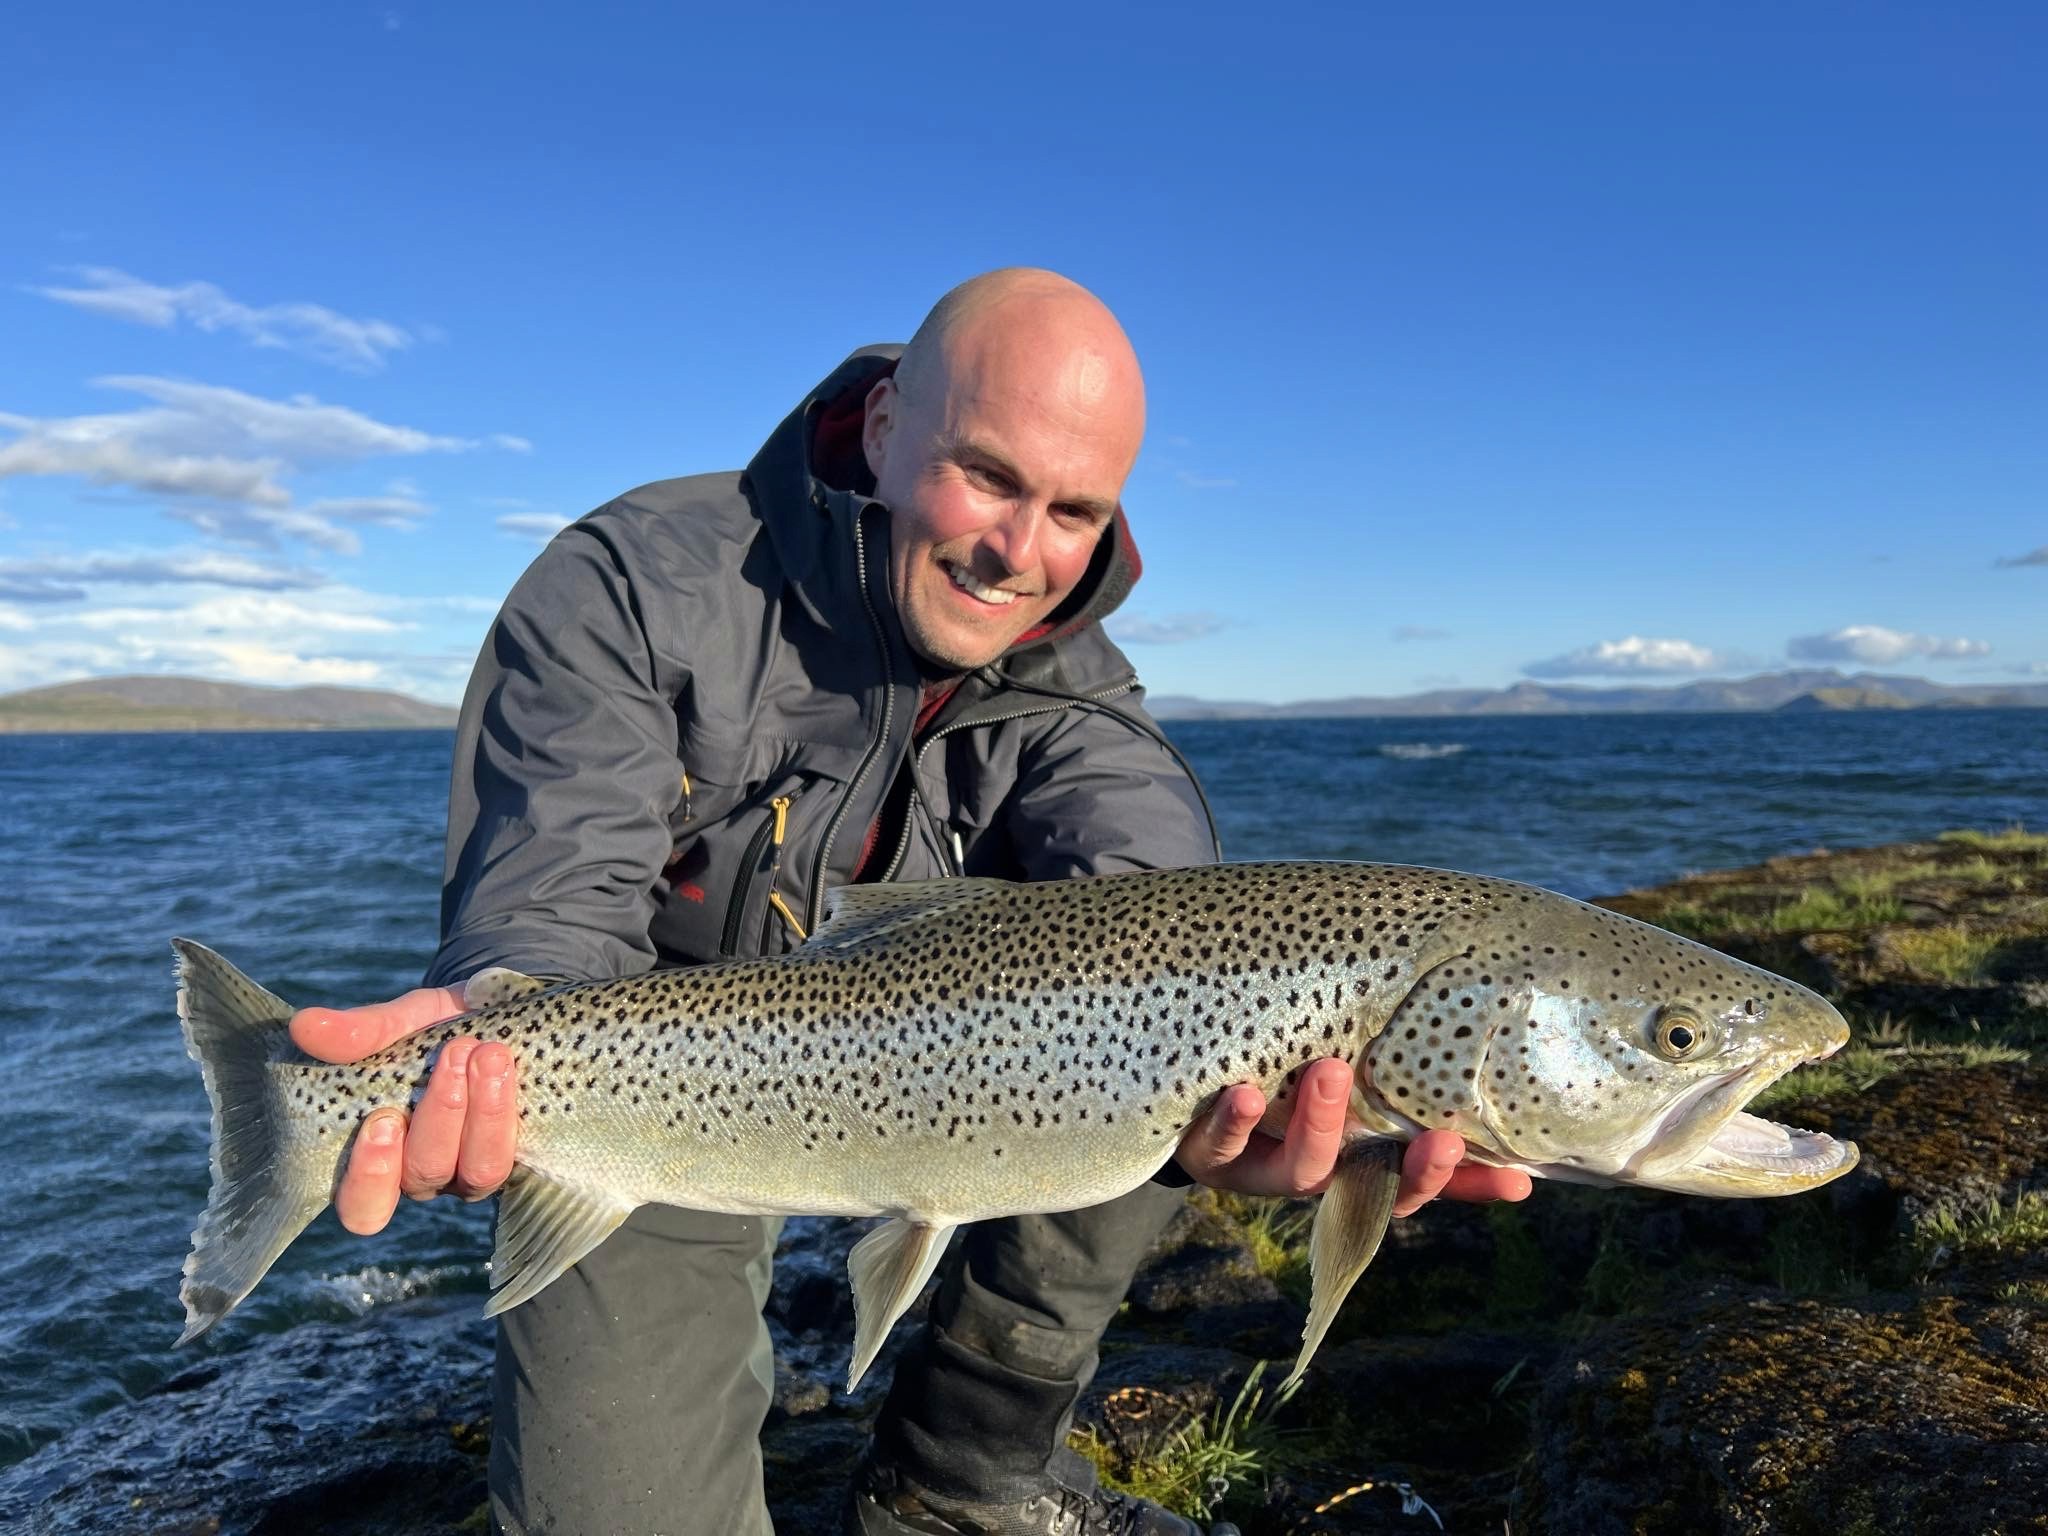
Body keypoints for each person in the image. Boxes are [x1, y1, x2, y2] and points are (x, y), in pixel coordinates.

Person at [291, 268, 1531, 1536]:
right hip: (658, 1092)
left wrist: (1283, 1112)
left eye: (1074, 511)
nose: (1020, 553)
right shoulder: (635, 583)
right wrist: (495, 1027)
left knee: (1171, 1068)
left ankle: (961, 1475)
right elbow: (551, 900)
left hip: (948, 1078)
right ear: (881, 428)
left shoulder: (1082, 692)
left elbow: (1167, 904)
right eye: (987, 478)